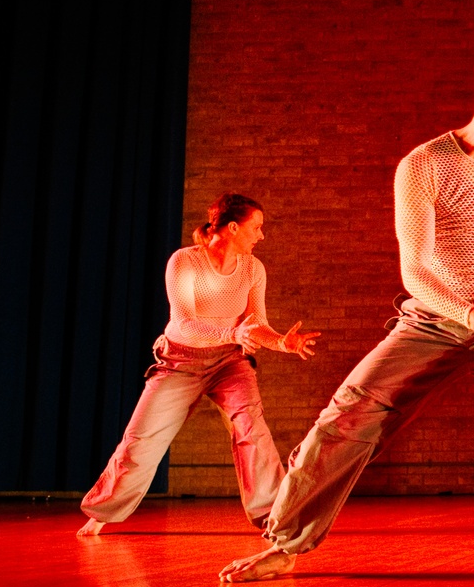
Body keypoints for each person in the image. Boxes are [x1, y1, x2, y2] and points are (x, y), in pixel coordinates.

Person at [218, 46, 474, 583]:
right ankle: (285, 543)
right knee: (347, 417)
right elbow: (415, 272)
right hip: (434, 319)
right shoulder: (425, 165)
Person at [77, 194, 320, 536]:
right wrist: (232, 332)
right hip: (180, 360)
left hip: (229, 362)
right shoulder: (185, 262)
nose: (261, 235)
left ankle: (273, 516)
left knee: (252, 430)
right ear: (233, 227)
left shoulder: (253, 269)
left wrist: (281, 342)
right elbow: (184, 323)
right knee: (142, 437)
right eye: (256, 227)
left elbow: (256, 324)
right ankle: (104, 511)